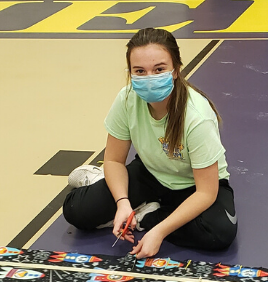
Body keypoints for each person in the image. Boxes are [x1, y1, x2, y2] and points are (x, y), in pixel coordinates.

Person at [62, 28, 237, 259]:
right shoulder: (126, 99)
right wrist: (122, 202)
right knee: (76, 211)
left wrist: (159, 231)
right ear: (131, 73)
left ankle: (147, 215)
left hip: (193, 185)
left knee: (219, 232)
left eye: (159, 69)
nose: (149, 78)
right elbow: (114, 159)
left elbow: (206, 192)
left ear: (176, 70)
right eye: (140, 71)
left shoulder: (197, 116)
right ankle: (104, 184)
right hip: (151, 172)